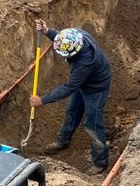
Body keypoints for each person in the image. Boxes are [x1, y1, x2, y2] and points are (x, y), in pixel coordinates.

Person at [29, 19, 111, 175]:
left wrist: (42, 100)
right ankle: (62, 141)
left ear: (74, 53)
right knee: (71, 110)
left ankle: (100, 162)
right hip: (84, 82)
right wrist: (48, 31)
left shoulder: (83, 63)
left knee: (93, 124)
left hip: (96, 88)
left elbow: (68, 88)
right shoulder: (75, 35)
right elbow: (62, 37)